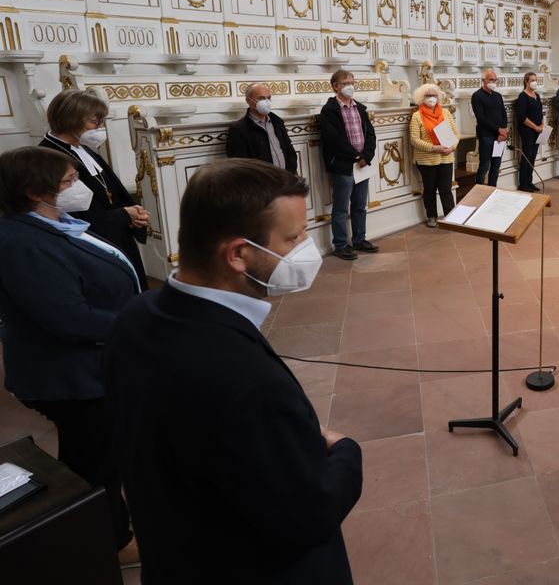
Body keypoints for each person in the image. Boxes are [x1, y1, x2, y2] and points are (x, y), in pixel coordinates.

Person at [105, 159, 363, 584]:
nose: (305, 248)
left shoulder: (133, 318)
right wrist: (347, 452)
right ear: (239, 254)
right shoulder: (246, 382)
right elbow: (307, 516)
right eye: (293, 237)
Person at [0, 147, 141, 566]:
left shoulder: (52, 223)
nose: (77, 188)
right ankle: (110, 541)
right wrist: (141, 325)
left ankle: (95, 522)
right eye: (66, 182)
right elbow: (68, 317)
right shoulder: (20, 242)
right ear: (33, 191)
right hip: (68, 375)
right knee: (96, 457)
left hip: (88, 366)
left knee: (92, 452)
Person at [40, 89, 150, 289]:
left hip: (117, 233)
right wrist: (124, 215)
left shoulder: (83, 149)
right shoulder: (49, 157)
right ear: (70, 119)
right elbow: (71, 213)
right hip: (93, 242)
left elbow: (111, 188)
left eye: (101, 121)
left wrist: (135, 214)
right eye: (94, 121)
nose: (99, 127)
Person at [318, 70, 377, 260]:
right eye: (346, 83)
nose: (350, 86)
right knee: (341, 208)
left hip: (362, 165)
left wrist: (366, 156)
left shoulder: (360, 108)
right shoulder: (329, 110)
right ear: (335, 86)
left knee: (360, 205)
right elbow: (334, 139)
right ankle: (341, 244)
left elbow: (370, 135)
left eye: (352, 82)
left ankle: (359, 239)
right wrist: (355, 156)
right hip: (343, 165)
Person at [409, 83, 459, 226]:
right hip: (427, 159)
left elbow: (456, 134)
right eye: (428, 95)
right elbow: (414, 140)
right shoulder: (417, 116)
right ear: (421, 98)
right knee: (430, 189)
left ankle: (451, 217)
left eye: (434, 95)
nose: (431, 98)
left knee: (446, 189)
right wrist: (434, 148)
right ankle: (431, 216)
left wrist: (452, 147)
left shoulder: (446, 113)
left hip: (446, 157)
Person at [226, 82, 298, 174]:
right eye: (261, 98)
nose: (267, 102)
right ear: (248, 101)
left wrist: (291, 171)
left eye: (269, 98)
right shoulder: (238, 129)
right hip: (263, 185)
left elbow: (289, 149)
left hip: (285, 178)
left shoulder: (277, 122)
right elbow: (240, 165)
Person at [472, 68, 508, 187]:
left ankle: (492, 189)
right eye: (490, 80)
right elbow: (481, 118)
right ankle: (479, 191)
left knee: (496, 166)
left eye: (495, 80)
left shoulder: (498, 96)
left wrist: (502, 132)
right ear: (484, 80)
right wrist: (498, 130)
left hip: (499, 137)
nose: (493, 82)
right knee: (484, 166)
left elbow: (504, 114)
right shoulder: (477, 96)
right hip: (486, 136)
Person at [513, 71, 544, 191]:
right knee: (527, 155)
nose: (534, 82)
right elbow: (522, 117)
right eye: (532, 80)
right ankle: (523, 184)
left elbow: (540, 113)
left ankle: (529, 181)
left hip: (538, 130)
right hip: (527, 130)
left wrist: (541, 124)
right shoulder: (523, 96)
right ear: (526, 82)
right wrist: (535, 127)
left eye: (536, 80)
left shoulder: (537, 96)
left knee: (533, 156)